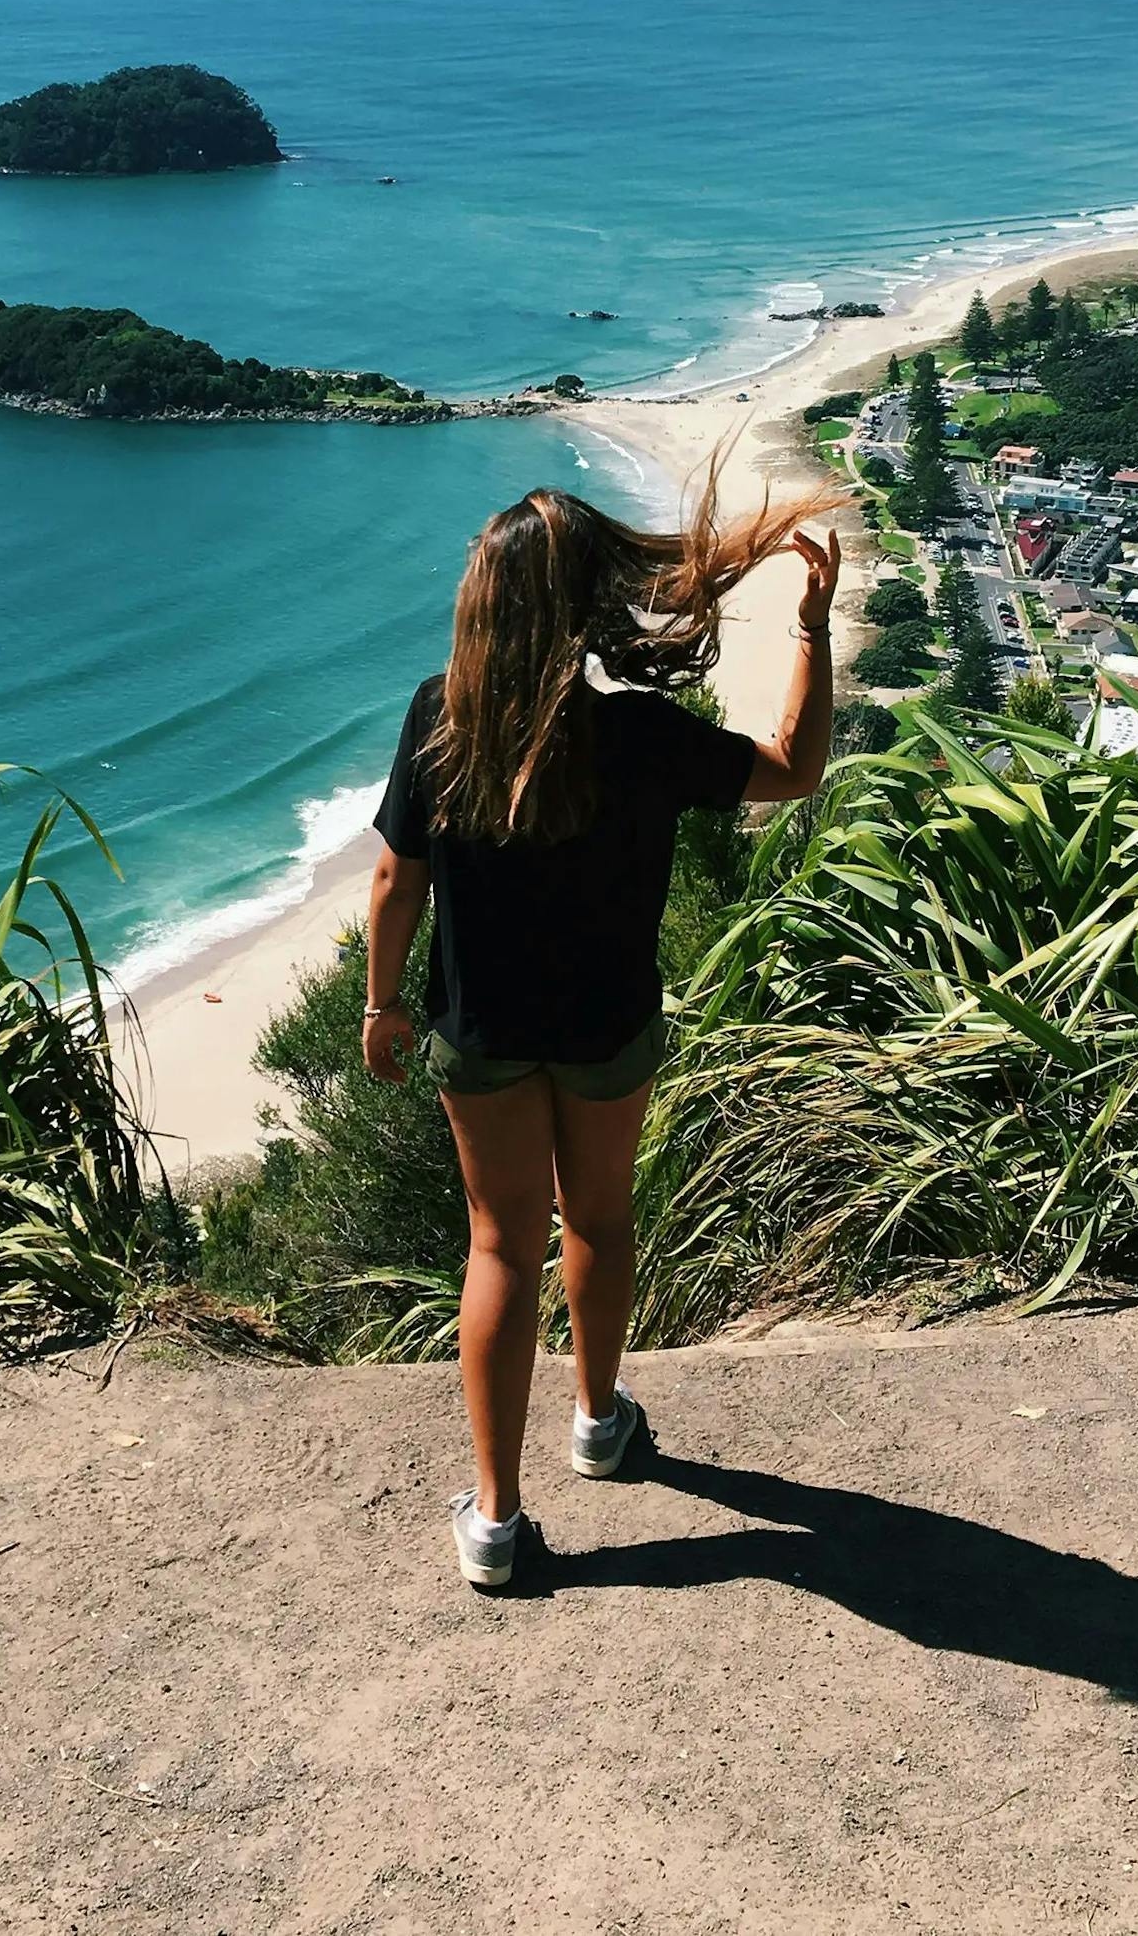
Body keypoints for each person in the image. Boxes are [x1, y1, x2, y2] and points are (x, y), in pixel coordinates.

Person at [365, 467, 840, 1588]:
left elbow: (397, 879)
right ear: (592, 608)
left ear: (482, 604)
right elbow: (796, 767)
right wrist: (810, 631)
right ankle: (598, 1422)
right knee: (601, 1219)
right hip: (608, 1028)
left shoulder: (440, 715)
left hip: (478, 1033)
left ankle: (494, 1519)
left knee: (498, 1245)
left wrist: (384, 1003)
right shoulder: (640, 737)